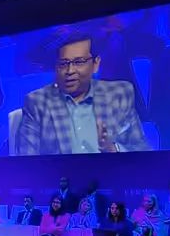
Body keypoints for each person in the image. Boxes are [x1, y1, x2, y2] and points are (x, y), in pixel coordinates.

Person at [16, 34, 150, 155]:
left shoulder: (118, 94)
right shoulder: (37, 103)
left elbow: (141, 150)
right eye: (63, 64)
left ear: (95, 64)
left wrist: (112, 149)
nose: (70, 70)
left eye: (79, 62)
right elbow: (26, 161)